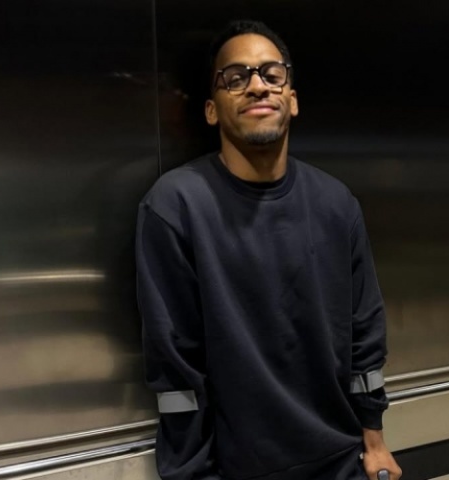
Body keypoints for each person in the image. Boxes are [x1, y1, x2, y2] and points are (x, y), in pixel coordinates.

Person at [136, 19, 403, 480]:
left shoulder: (337, 203)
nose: (257, 85)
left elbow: (365, 335)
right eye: (235, 77)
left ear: (291, 99)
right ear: (211, 111)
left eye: (271, 74)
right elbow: (175, 367)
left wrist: (375, 441)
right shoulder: (175, 206)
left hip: (342, 462)